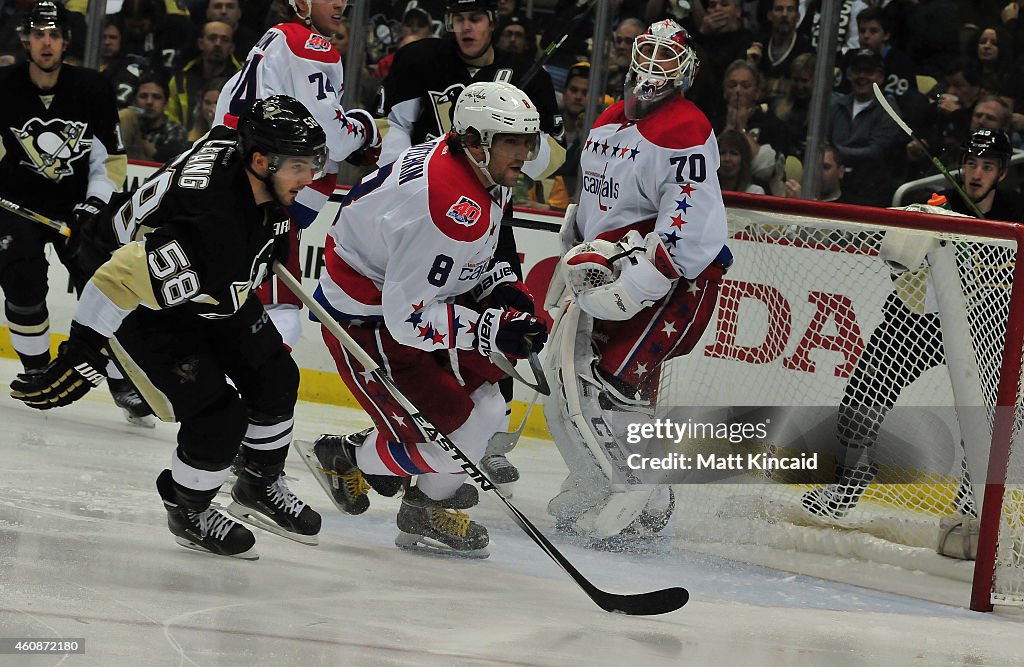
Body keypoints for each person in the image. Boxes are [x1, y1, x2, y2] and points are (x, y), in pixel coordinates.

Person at [10, 95, 327, 559]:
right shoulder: (209, 226)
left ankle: (258, 481)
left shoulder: (233, 150)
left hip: (205, 289)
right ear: (260, 161)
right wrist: (81, 356)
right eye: (299, 166)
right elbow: (117, 278)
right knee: (220, 418)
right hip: (145, 307)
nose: (310, 177)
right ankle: (188, 508)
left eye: (312, 163)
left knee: (276, 375)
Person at [295, 81, 549, 557]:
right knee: (444, 441)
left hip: (407, 301)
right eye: (512, 141)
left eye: (527, 140)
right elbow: (407, 320)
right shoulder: (447, 204)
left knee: (490, 405)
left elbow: (471, 256)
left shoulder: (480, 169)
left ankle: (422, 507)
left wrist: (499, 286)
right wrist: (490, 328)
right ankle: (344, 457)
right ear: (475, 141)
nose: (525, 153)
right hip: (363, 323)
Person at [543, 20, 731, 545]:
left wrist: (637, 286)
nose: (654, 64)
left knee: (612, 386)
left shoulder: (687, 130)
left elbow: (689, 228)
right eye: (647, 50)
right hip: (612, 275)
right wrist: (575, 249)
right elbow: (597, 203)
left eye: (668, 55)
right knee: (567, 386)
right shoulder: (608, 119)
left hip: (673, 286)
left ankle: (644, 490)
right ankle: (600, 481)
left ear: (687, 69)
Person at [376, 0, 565, 489]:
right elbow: (395, 130)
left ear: (491, 23)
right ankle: (406, 451)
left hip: (488, 214)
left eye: (476, 18)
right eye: (459, 18)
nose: (466, 27)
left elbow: (550, 159)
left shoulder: (524, 75)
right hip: (433, 209)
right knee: (432, 328)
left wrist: (518, 134)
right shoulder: (421, 60)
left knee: (505, 322)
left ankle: (482, 442)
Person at [801, 128, 1021, 532]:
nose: (975, 174)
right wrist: (913, 238)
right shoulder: (937, 203)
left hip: (983, 326)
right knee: (862, 393)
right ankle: (848, 483)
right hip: (915, 320)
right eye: (971, 164)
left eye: (987, 167)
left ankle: (972, 501)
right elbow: (897, 262)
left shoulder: (1016, 214)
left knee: (995, 415)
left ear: (1002, 173)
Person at [0, 2, 156, 425]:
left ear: (66, 41)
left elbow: (109, 159)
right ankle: (37, 371)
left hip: (77, 207)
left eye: (53, 34)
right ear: (25, 40)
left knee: (103, 284)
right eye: (37, 34)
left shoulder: (91, 89)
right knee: (21, 280)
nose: (45, 42)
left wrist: (93, 205)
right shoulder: (4, 86)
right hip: (18, 206)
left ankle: (117, 374)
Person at [215, 0, 382, 350]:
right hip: (260, 193)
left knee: (218, 297)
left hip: (222, 179)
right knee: (280, 312)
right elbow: (335, 141)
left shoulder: (270, 40)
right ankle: (245, 394)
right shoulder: (311, 46)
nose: (341, 4)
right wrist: (366, 129)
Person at [166, 20, 241, 128]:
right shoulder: (181, 80)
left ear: (231, 47)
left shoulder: (242, 79)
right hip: (186, 140)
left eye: (224, 40)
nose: (218, 44)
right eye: (212, 38)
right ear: (201, 43)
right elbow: (171, 118)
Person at [119, 74, 191, 163]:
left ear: (166, 103)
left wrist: (145, 144)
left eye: (156, 97)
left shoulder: (176, 131)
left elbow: (171, 163)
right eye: (143, 96)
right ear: (134, 101)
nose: (149, 102)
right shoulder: (128, 122)